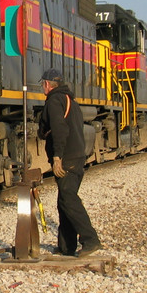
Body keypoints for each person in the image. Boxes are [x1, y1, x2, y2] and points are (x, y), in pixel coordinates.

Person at [38, 68, 102, 257]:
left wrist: (57, 157)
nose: (42, 87)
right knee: (64, 200)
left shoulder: (54, 101)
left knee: (69, 199)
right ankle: (67, 247)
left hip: (67, 159)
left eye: (43, 84)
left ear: (48, 84)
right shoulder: (70, 101)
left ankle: (90, 240)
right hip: (76, 155)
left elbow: (60, 129)